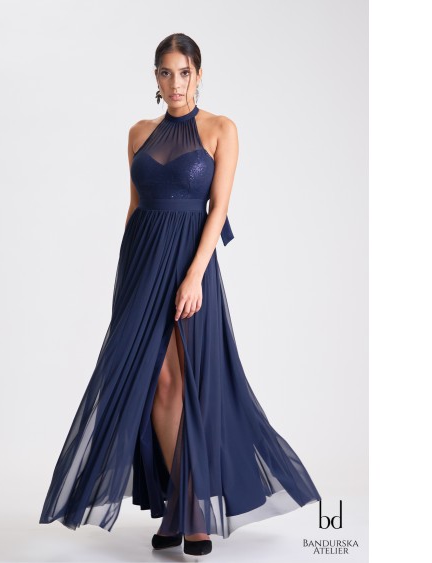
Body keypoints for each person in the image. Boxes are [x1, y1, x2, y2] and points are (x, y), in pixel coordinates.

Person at [39, 33, 322, 557]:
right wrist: (125, 280)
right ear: (156, 77)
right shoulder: (138, 132)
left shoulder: (221, 128)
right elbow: (134, 206)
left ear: (199, 74)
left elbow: (218, 210)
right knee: (154, 386)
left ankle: (191, 512)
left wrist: (194, 276)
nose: (175, 83)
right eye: (166, 73)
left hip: (191, 265)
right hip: (141, 266)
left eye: (184, 72)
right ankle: (181, 506)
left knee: (189, 383)